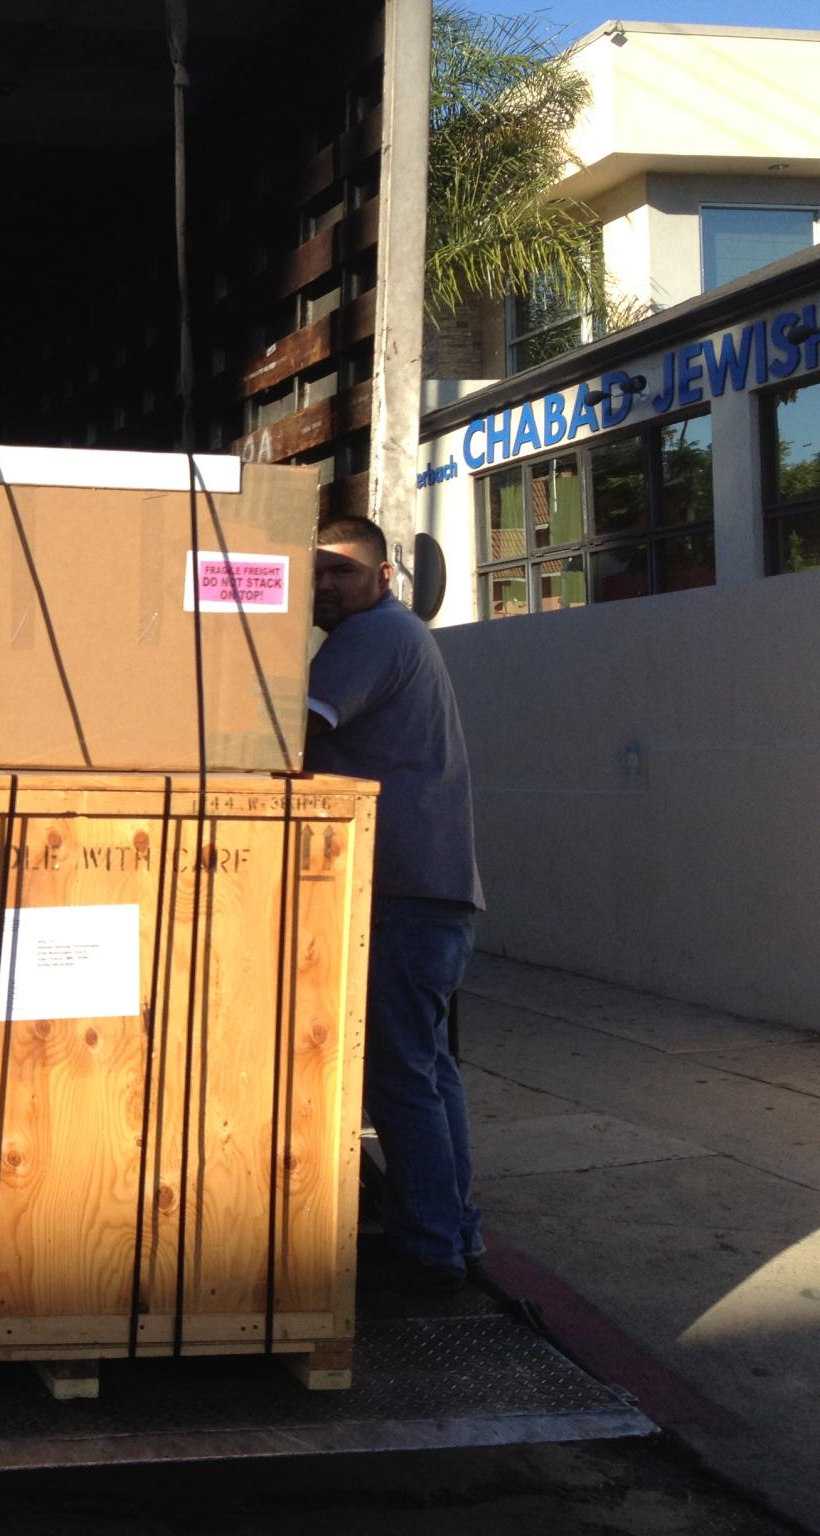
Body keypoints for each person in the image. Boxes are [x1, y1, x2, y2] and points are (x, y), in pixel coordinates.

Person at [304, 514, 485, 1295]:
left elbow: (289, 735)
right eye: (317, 573)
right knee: (429, 1072)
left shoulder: (373, 636)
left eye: (343, 572)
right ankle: (451, 1233)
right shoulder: (400, 636)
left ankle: (429, 1250)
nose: (326, 587)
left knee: (400, 1075)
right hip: (437, 892)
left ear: (383, 577)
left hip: (406, 892)